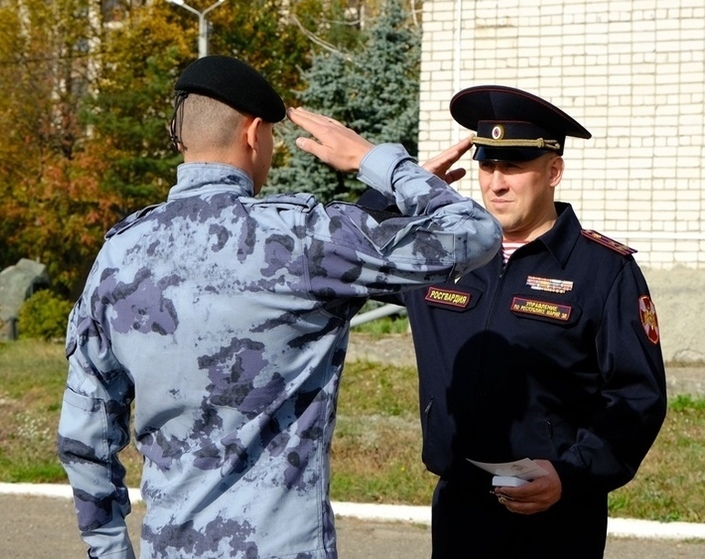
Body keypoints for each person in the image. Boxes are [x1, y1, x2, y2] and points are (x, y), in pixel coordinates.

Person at [57, 56, 501, 559]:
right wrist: (379, 164)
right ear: (253, 133)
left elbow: (84, 438)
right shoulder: (299, 239)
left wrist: (110, 552)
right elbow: (473, 232)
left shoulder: (119, 255)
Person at [369, 85, 668, 558]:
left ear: (553, 171)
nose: (496, 183)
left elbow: (637, 396)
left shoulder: (603, 270)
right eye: (488, 165)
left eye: (513, 167)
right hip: (460, 507)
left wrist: (573, 474)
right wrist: (395, 196)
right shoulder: (440, 254)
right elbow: (339, 259)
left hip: (557, 515)